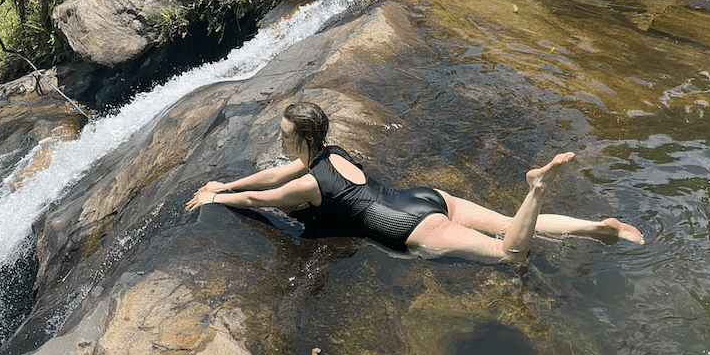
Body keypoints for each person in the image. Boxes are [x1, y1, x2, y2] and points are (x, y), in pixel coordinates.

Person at [185, 101, 644, 262]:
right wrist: (222, 182)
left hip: (407, 228)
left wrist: (218, 195)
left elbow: (261, 196)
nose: (277, 139)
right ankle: (600, 228)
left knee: (509, 254)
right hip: (421, 197)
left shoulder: (306, 185)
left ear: (303, 138)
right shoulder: (333, 153)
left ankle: (537, 188)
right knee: (509, 222)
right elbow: (267, 174)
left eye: (283, 134)